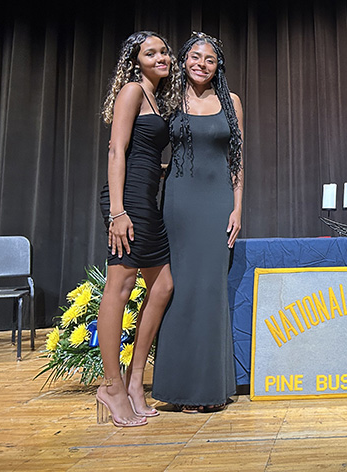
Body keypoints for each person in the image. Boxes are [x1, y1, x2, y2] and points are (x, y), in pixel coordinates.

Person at [152, 32, 244, 412]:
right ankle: (181, 389)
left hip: (218, 202)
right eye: (194, 56)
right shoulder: (169, 100)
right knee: (182, 289)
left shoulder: (231, 101)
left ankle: (211, 389)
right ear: (183, 60)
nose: (201, 64)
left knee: (210, 290)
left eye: (209, 59)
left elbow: (237, 159)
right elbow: (146, 142)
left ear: (217, 65)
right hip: (180, 202)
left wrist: (238, 208)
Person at [97, 31, 181, 427]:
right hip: (126, 203)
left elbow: (143, 152)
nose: (162, 56)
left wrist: (165, 171)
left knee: (162, 286)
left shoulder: (154, 96)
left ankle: (134, 382)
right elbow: (117, 149)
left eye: (164, 51)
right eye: (152, 52)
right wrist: (117, 211)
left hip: (145, 202)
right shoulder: (132, 90)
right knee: (121, 286)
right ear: (136, 60)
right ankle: (111, 387)